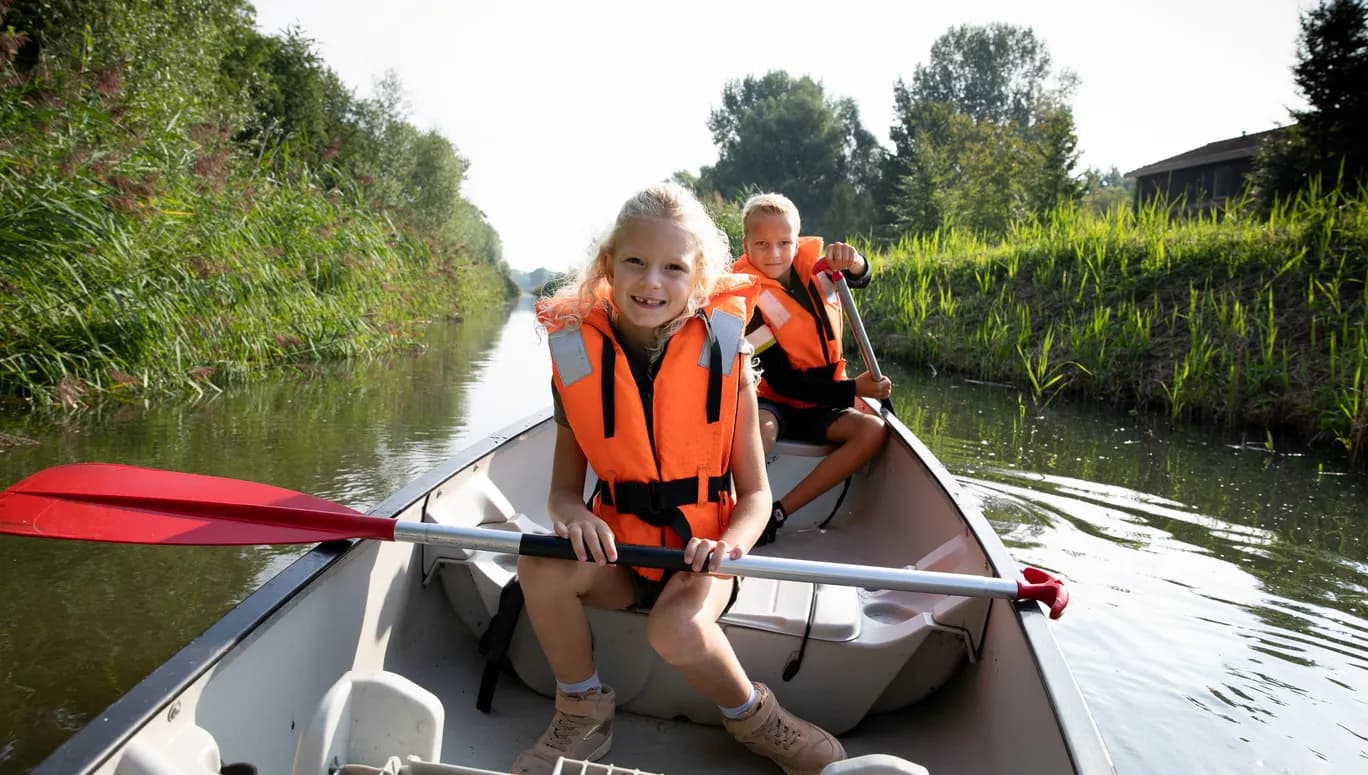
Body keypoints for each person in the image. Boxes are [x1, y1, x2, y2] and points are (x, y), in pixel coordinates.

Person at [515, 182, 846, 775]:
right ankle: (584, 708)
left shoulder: (728, 352)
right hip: (619, 551)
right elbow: (564, 491)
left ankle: (754, 717)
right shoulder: (575, 351)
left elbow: (755, 495)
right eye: (636, 262)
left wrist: (730, 545)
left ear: (698, 278)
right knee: (540, 563)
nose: (652, 283)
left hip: (703, 555)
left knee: (676, 627)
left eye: (674, 267)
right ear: (608, 265)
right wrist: (574, 516)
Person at [730, 193, 893, 544]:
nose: (774, 253)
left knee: (873, 432)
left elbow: (863, 277)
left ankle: (778, 513)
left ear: (797, 240)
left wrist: (856, 262)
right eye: (761, 244)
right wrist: (855, 390)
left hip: (823, 401)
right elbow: (784, 381)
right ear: (745, 244)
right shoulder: (744, 300)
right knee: (764, 430)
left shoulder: (819, 268)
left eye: (784, 243)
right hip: (774, 398)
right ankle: (736, 511)